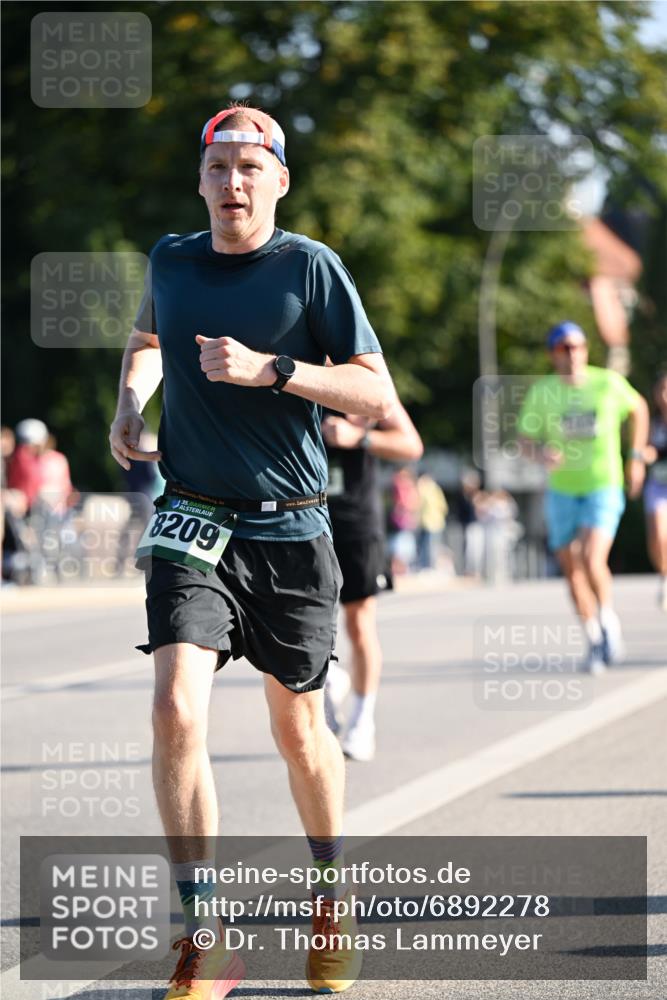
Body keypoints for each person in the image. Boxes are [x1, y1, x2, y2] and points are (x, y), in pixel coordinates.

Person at [109, 104, 397, 999]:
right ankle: (205, 930)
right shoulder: (172, 259)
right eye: (218, 166)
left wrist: (274, 369)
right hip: (192, 517)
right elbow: (150, 339)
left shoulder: (310, 268)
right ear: (200, 180)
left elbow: (373, 396)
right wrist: (128, 401)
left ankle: (329, 895)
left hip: (292, 528)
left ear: (277, 180)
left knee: (299, 730)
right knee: (174, 711)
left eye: (249, 167)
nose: (232, 183)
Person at [518, 321, 649, 674]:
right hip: (561, 489)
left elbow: (638, 408)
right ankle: (592, 638)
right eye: (564, 348)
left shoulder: (607, 383)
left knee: (591, 557)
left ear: (586, 350)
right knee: (571, 568)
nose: (572, 353)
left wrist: (635, 457)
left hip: (602, 484)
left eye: (578, 346)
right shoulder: (542, 392)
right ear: (553, 354)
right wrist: (541, 452)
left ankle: (609, 625)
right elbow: (524, 439)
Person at [321, 405, 423, 761]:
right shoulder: (287, 367)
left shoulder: (362, 371)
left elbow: (411, 445)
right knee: (308, 626)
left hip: (356, 522)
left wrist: (359, 436)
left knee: (359, 624)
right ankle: (329, 684)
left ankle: (363, 721)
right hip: (302, 519)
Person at [643, 372, 667, 610]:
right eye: (661, 390)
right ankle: (664, 575)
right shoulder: (654, 424)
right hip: (659, 486)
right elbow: (648, 450)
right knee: (658, 536)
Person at [416, 472, 447, 571]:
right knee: (426, 546)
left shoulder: (429, 489)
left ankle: (429, 566)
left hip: (433, 523)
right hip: (428, 523)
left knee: (430, 546)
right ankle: (426, 566)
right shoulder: (434, 489)